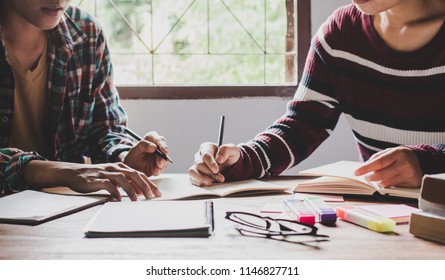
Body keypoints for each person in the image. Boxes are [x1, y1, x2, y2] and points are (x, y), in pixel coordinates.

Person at [189, 0, 445, 189]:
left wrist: (430, 163)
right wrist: (242, 160)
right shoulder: (341, 35)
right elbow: (301, 126)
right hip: (379, 217)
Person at [0, 0, 171, 201]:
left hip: (65, 210)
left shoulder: (85, 33)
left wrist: (124, 157)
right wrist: (60, 172)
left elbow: (105, 128)